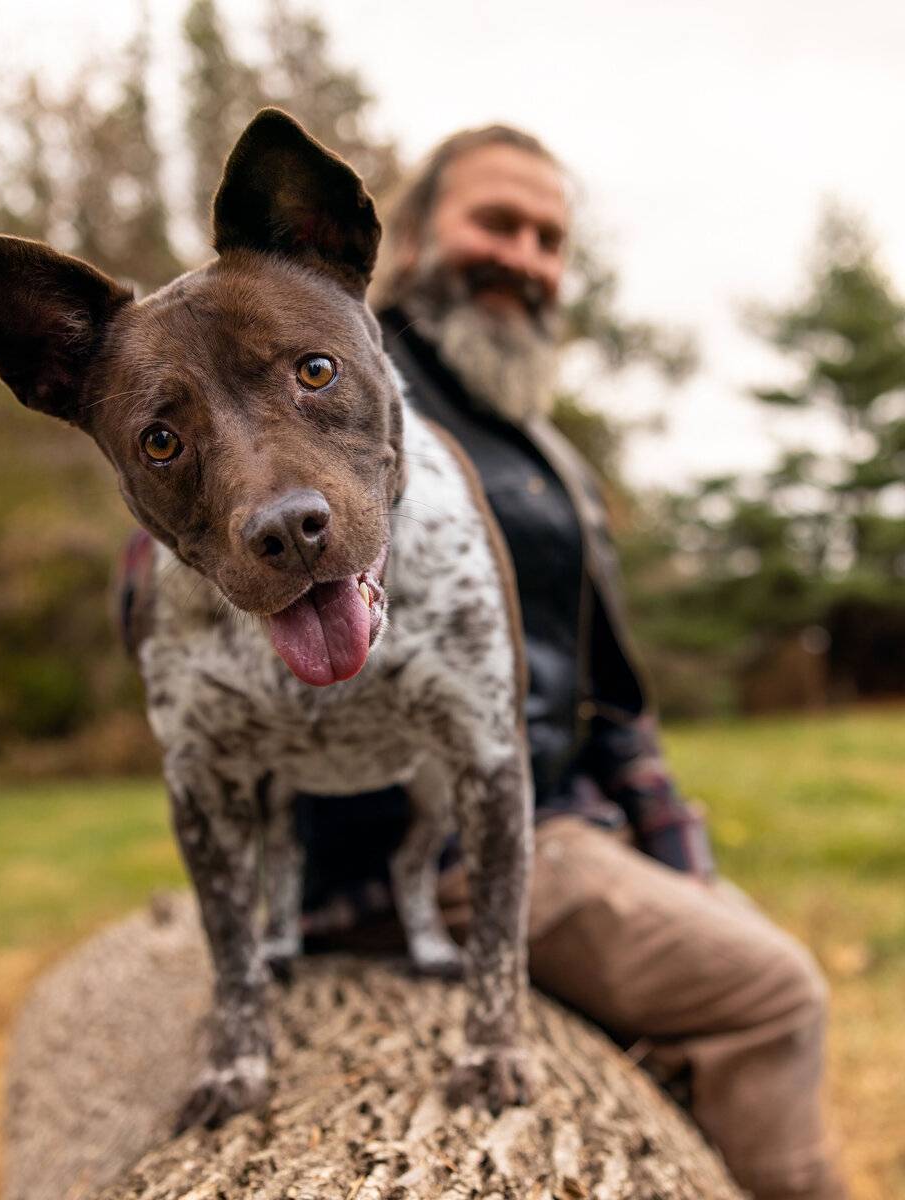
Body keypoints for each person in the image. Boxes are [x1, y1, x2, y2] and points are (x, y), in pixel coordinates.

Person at [295, 125, 847, 1200]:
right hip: (437, 847)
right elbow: (181, 563)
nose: (527, 256)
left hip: (564, 820)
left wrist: (679, 858)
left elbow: (614, 701)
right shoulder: (329, 382)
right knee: (775, 992)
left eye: (551, 238)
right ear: (410, 237)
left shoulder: (550, 457)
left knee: (737, 932)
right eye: (496, 222)